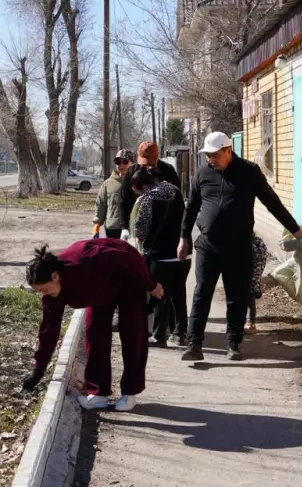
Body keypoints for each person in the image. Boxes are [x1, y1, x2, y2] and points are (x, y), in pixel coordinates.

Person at [178, 132, 302, 362]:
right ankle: (194, 344)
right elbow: (191, 207)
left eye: (215, 155)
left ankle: (234, 344)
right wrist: (183, 237)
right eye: (208, 155)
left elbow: (272, 202)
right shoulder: (203, 173)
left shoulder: (248, 172)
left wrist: (294, 228)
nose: (211, 160)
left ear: (229, 151)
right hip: (208, 246)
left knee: (236, 296)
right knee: (201, 293)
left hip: (238, 247)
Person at [21, 240, 164, 412]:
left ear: (55, 276)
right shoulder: (52, 295)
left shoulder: (86, 261)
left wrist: (151, 285)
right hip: (99, 290)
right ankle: (98, 393)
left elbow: (129, 260)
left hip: (127, 279)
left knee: (132, 334)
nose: (43, 294)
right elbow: (48, 330)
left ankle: (129, 393)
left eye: (44, 289)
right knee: (94, 333)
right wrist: (38, 371)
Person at [131, 166, 190, 347]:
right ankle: (180, 334)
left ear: (142, 187)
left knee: (160, 295)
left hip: (160, 255)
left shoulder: (148, 199)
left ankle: (159, 336)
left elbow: (140, 229)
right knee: (179, 294)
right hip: (183, 253)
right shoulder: (176, 191)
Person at [93, 149, 133, 239]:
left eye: (125, 161)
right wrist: (97, 226)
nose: (121, 165)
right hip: (112, 229)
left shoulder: (137, 183)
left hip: (132, 229)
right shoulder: (108, 183)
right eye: (118, 162)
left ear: (132, 163)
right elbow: (101, 204)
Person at [247, 233, 269, 333]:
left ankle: (250, 323)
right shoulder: (259, 242)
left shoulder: (250, 244)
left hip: (248, 275)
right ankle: (250, 322)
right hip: (255, 274)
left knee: (248, 298)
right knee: (250, 297)